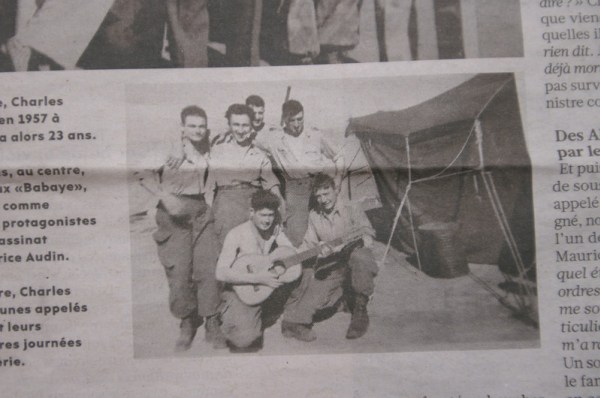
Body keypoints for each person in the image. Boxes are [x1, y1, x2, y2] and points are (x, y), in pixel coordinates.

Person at [151, 105, 224, 351]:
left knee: (208, 268)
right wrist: (163, 195)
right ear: (182, 127)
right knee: (179, 272)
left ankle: (212, 320)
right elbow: (141, 173)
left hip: (200, 211)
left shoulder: (208, 146)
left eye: (202, 126)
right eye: (192, 126)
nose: (198, 130)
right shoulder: (167, 146)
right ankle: (187, 321)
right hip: (172, 213)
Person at [281, 173, 378, 341]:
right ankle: (294, 323)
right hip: (333, 263)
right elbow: (309, 244)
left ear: (335, 190)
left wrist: (354, 243)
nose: (323, 200)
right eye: (318, 196)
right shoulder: (314, 215)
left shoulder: (352, 207)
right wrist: (291, 258)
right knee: (316, 299)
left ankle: (360, 309)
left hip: (355, 256)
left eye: (326, 194)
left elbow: (368, 233)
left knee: (361, 258)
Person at [254, 99, 344, 247]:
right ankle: (304, 267)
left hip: (319, 186)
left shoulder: (315, 135)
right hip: (295, 191)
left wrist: (338, 178)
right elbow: (251, 141)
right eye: (291, 120)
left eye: (300, 119)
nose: (296, 124)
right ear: (284, 120)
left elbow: (339, 155)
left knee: (330, 228)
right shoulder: (274, 139)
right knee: (297, 235)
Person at [215, 190, 295, 352]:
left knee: (299, 273)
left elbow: (290, 252)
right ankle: (226, 315)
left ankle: (266, 314)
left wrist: (315, 250)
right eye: (263, 215)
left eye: (271, 215)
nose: (267, 220)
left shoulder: (274, 228)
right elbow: (221, 272)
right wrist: (259, 278)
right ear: (252, 212)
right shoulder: (237, 234)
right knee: (245, 340)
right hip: (240, 289)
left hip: (262, 287)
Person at [207, 103, 284, 245]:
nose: (241, 130)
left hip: (252, 213)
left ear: (252, 127)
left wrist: (278, 217)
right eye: (236, 125)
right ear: (229, 125)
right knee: (225, 256)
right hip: (225, 212)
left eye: (245, 125)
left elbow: (273, 189)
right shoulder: (217, 151)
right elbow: (209, 189)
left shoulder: (260, 155)